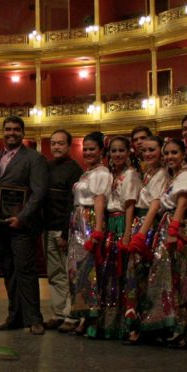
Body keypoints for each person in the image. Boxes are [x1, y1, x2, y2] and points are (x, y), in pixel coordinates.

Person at [0, 116, 48, 335]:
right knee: (9, 271)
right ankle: (15, 315)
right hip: (0, 224)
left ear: (23, 133)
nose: (11, 133)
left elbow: (39, 192)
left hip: (22, 225)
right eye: (7, 129)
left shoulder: (34, 158)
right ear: (2, 132)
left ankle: (34, 318)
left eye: (16, 129)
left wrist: (21, 217)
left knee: (26, 270)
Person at [139, 138, 187, 346]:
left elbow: (182, 203)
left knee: (179, 275)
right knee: (167, 275)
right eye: (168, 154)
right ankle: (169, 324)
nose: (170, 157)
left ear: (183, 155)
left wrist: (174, 230)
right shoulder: (174, 177)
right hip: (168, 224)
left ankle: (181, 328)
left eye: (175, 153)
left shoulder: (185, 176)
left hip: (177, 226)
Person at [122, 136, 169, 343]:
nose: (148, 154)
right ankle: (136, 323)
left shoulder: (162, 174)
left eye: (153, 150)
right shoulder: (147, 172)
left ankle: (149, 326)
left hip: (149, 226)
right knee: (136, 276)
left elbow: (155, 205)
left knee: (147, 276)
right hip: (140, 224)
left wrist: (142, 233)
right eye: (146, 150)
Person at [94, 135, 141, 339]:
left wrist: (127, 234)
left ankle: (127, 323)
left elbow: (130, 205)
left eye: (122, 150)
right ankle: (108, 322)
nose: (117, 154)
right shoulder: (110, 174)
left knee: (124, 272)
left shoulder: (130, 174)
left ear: (129, 151)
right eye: (114, 151)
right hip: (110, 224)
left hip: (123, 223)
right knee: (108, 273)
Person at [66, 132, 111, 336]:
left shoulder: (101, 173)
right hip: (78, 221)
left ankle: (91, 318)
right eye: (85, 149)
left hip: (89, 220)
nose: (88, 152)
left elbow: (99, 200)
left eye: (92, 149)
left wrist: (98, 229)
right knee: (76, 270)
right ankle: (82, 313)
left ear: (101, 150)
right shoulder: (87, 172)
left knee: (88, 270)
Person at [43, 130, 83, 332]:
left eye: (60, 143)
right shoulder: (47, 167)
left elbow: (72, 204)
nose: (56, 147)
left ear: (69, 146)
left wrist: (66, 233)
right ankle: (58, 313)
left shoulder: (74, 169)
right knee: (54, 274)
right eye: (53, 143)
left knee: (68, 273)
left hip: (63, 229)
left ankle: (70, 314)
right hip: (47, 228)